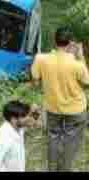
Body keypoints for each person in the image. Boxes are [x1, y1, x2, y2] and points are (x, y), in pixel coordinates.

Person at [31, 27, 89, 172]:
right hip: (76, 110)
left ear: (54, 40)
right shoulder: (77, 65)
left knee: (53, 138)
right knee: (71, 141)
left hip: (52, 107)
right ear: (70, 44)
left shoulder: (40, 58)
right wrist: (80, 56)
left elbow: (35, 82)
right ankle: (64, 169)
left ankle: (51, 168)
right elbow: (87, 83)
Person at [0, 101, 39, 172]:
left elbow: (31, 121)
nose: (29, 118)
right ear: (13, 119)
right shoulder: (4, 139)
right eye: (24, 116)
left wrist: (35, 113)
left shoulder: (17, 128)